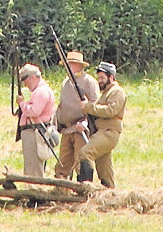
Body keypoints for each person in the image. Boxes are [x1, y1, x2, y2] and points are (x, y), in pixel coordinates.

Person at [77, 60, 127, 188]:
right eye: (99, 78)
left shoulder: (117, 92)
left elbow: (111, 111)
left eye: (102, 78)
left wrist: (89, 107)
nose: (100, 80)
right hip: (102, 132)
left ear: (111, 77)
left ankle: (85, 189)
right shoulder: (106, 93)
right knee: (104, 169)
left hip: (109, 132)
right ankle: (110, 192)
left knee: (85, 153)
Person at [54, 50, 99, 180]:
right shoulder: (65, 83)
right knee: (63, 164)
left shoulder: (89, 81)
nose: (68, 68)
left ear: (79, 65)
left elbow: (94, 106)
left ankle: (83, 191)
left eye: (71, 64)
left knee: (81, 163)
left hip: (80, 129)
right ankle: (61, 192)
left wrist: (85, 124)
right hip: (67, 129)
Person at [17, 62, 57, 177]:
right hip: (34, 132)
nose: (25, 84)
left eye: (25, 80)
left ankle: (34, 191)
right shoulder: (40, 91)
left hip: (34, 133)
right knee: (31, 167)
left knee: (34, 170)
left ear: (33, 77)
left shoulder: (41, 92)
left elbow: (34, 111)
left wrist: (22, 103)